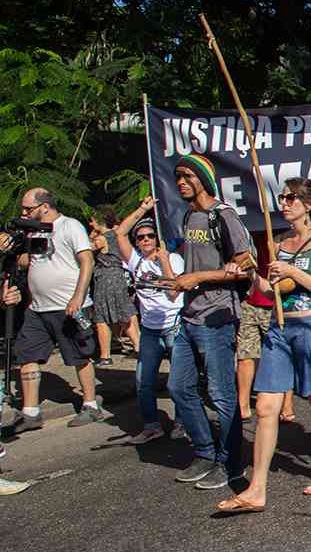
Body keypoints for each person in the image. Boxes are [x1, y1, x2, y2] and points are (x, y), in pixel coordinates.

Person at [216, 178, 311, 512]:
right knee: (265, 407)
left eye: (292, 198)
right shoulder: (280, 242)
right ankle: (256, 489)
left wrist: (292, 270)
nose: (284, 203)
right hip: (279, 327)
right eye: (282, 197)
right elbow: (270, 288)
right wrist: (248, 274)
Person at [167, 154, 252, 490]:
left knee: (221, 393)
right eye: (178, 177)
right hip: (189, 315)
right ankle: (204, 451)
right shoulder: (189, 216)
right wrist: (180, 282)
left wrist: (198, 277)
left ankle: (231, 463)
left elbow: (245, 266)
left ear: (203, 178)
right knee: (178, 387)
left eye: (188, 176)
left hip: (217, 316)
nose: (181, 182)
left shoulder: (223, 216)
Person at [7, 187, 102, 432]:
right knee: (26, 354)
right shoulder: (34, 231)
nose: (24, 212)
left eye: (28, 208)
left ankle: (91, 405)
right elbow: (38, 261)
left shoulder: (70, 226)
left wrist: (78, 297)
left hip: (67, 306)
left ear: (45, 206)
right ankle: (30, 413)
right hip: (38, 308)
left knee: (79, 356)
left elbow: (87, 261)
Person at [111, 197, 185, 444]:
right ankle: (152, 425)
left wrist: (163, 260)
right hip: (151, 329)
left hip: (174, 325)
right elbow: (120, 232)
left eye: (149, 236)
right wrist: (142, 208)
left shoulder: (173, 259)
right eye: (140, 237)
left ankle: (182, 422)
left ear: (157, 238)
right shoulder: (136, 262)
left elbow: (175, 292)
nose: (144, 240)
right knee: (143, 381)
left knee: (178, 381)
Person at [235, 247, 297, 423]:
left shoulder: (283, 236)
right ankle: (243, 405)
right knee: (246, 354)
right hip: (250, 300)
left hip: (277, 304)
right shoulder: (245, 231)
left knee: (283, 354)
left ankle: (287, 403)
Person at [88, 206, 140, 366]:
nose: (91, 223)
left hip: (106, 278)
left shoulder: (101, 239)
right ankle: (138, 346)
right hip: (118, 277)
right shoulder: (116, 235)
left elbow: (85, 250)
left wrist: (92, 236)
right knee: (124, 311)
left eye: (93, 220)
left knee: (102, 317)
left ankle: (105, 355)